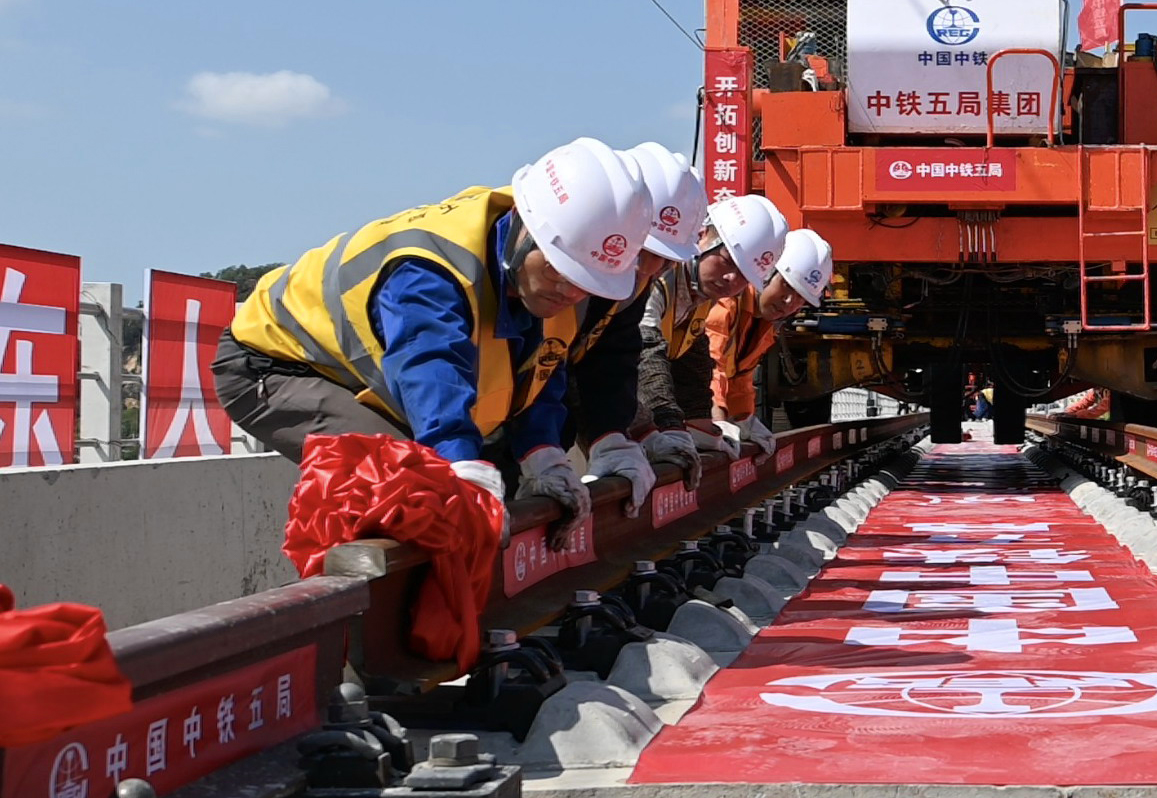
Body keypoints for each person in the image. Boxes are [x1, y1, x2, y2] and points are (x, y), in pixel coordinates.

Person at [215, 138, 680, 521]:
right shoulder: (432, 270)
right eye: (560, 271)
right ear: (525, 230)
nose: (569, 291)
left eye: (585, 282)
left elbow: (541, 373)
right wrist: (459, 461)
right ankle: (357, 599)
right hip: (279, 363)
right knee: (415, 485)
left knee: (489, 475)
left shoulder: (560, 281)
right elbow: (431, 367)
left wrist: (543, 453)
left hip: (374, 368)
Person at [576, 193, 790, 481]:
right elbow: (645, 351)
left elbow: (692, 358)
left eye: (744, 276)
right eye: (727, 262)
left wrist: (704, 424)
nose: (732, 280)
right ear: (702, 236)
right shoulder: (660, 278)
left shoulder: (701, 295)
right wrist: (669, 425)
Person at [704, 228, 834, 458]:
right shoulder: (727, 303)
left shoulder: (763, 325)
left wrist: (744, 419)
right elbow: (711, 366)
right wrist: (717, 421)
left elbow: (740, 377)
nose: (789, 301)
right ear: (766, 273)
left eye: (800, 297)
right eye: (786, 285)